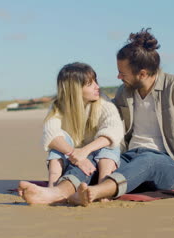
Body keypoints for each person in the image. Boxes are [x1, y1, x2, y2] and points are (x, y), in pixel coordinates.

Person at [18, 29, 174, 206]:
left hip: (170, 164)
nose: (118, 77)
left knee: (148, 160)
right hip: (129, 156)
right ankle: (56, 193)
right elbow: (104, 117)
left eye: (122, 73)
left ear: (142, 73)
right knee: (94, 159)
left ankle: (95, 192)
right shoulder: (125, 92)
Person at [18, 62, 123, 203]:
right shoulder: (58, 107)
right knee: (59, 143)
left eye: (95, 81)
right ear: (75, 90)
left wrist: (84, 152)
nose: (97, 87)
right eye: (90, 84)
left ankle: (103, 190)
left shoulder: (104, 103)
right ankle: (52, 187)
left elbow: (114, 130)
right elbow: (51, 135)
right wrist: (76, 155)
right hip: (74, 160)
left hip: (102, 162)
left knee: (109, 143)